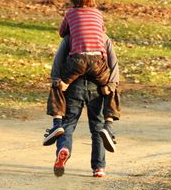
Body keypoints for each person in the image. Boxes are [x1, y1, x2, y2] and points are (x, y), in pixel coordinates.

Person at [43, 0, 119, 152]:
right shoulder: (98, 14)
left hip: (77, 62)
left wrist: (61, 81)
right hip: (97, 64)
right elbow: (102, 31)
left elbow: (62, 33)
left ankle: (57, 125)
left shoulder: (70, 13)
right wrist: (110, 85)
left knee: (58, 84)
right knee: (113, 87)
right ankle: (108, 125)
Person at [49, 35, 120, 177]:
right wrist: (112, 84)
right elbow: (113, 63)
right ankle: (99, 167)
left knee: (68, 124)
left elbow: (58, 59)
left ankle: (64, 149)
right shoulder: (103, 38)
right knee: (98, 127)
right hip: (98, 87)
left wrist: (56, 79)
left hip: (73, 85)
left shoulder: (71, 38)